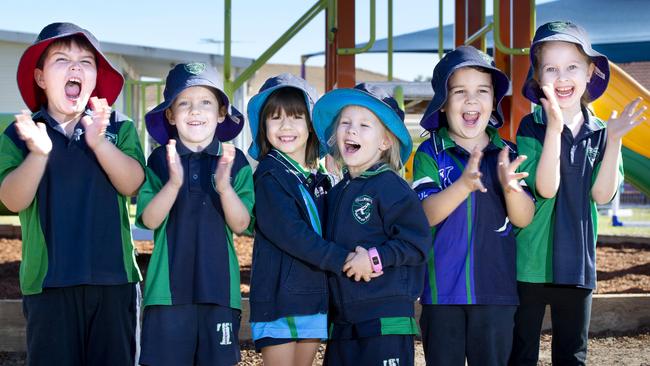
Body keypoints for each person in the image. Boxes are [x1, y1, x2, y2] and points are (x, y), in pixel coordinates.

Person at [0, 22, 145, 365]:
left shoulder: (118, 126)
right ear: (39, 78)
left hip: (114, 281)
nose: (76, 66)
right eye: (61, 59)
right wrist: (38, 153)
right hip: (49, 284)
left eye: (87, 61)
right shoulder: (20, 134)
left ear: (95, 79)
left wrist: (98, 142)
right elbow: (12, 199)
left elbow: (133, 183)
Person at [509, 21, 646, 365]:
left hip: (577, 263)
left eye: (572, 67)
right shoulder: (532, 125)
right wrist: (554, 127)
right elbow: (546, 187)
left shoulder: (602, 131)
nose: (562, 76)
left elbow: (602, 195)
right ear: (538, 77)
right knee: (521, 349)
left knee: (572, 353)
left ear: (589, 72)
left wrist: (613, 141)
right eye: (551, 69)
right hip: (531, 262)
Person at [412, 45, 534, 366]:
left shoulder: (506, 152)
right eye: (459, 91)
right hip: (441, 295)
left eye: (482, 91)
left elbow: (524, 217)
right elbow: (426, 214)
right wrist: (464, 184)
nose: (471, 100)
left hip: (496, 293)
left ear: (494, 101)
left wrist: (510, 188)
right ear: (443, 102)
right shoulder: (430, 152)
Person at [136, 62, 253, 366]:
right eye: (184, 103)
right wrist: (174, 183)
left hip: (219, 291)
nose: (195, 111)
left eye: (205, 102)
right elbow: (149, 220)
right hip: (167, 294)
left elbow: (241, 224)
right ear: (170, 115)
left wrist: (225, 188)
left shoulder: (234, 160)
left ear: (221, 113)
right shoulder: (160, 160)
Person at [312, 83, 432, 366]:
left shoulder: (392, 187)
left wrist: (375, 259)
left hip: (385, 321)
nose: (352, 130)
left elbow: (417, 244)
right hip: (343, 322)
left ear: (385, 142)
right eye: (345, 123)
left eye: (365, 125)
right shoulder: (338, 191)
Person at [247, 73, 354, 366]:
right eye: (275, 118)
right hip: (279, 298)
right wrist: (343, 260)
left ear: (310, 125)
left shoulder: (319, 178)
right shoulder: (270, 176)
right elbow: (293, 234)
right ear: (262, 126)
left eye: (296, 117)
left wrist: (337, 177)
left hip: (312, 297)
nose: (285, 126)